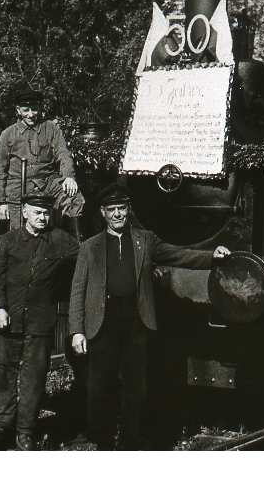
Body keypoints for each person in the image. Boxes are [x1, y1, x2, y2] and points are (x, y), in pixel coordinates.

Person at [69, 183, 231, 450]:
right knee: (100, 390)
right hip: (102, 323)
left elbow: (179, 254)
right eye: (112, 210)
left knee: (137, 389)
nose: (118, 214)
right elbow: (78, 290)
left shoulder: (145, 240)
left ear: (129, 210)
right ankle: (100, 441)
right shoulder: (90, 247)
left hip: (136, 322)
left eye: (122, 208)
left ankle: (131, 444)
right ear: (103, 213)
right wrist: (76, 330)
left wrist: (211, 256)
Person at [0, 193, 80, 450]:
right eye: (37, 212)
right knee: (5, 370)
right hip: (8, 318)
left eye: (46, 213)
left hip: (40, 322)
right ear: (24, 212)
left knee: (34, 377)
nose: (42, 217)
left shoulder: (61, 241)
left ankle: (25, 430)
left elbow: (84, 257)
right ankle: (1, 422)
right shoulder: (10, 241)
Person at [0, 86, 84, 230]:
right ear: (18, 110)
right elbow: (0, 170)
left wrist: (69, 177)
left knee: (74, 198)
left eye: (34, 109)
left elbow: (63, 154)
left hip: (47, 182)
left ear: (40, 108)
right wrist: (0, 202)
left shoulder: (51, 129)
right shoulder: (8, 134)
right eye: (25, 110)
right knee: (20, 232)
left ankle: (75, 247)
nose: (30, 114)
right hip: (18, 189)